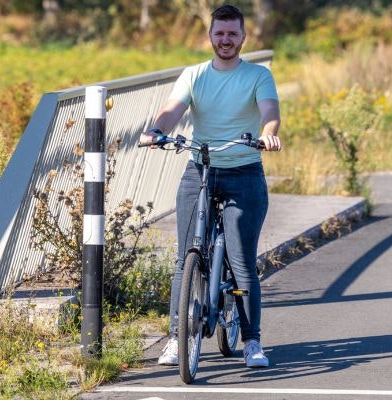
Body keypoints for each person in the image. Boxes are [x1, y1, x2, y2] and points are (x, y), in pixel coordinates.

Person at [148, 4, 281, 368]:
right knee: (185, 258)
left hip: (244, 173)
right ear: (210, 36)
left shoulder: (257, 75)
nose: (226, 40)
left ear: (243, 37)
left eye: (232, 34)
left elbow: (270, 113)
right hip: (200, 170)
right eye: (219, 33)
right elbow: (173, 109)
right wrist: (156, 131)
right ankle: (177, 338)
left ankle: (252, 342)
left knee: (241, 262)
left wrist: (268, 136)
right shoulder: (194, 75)